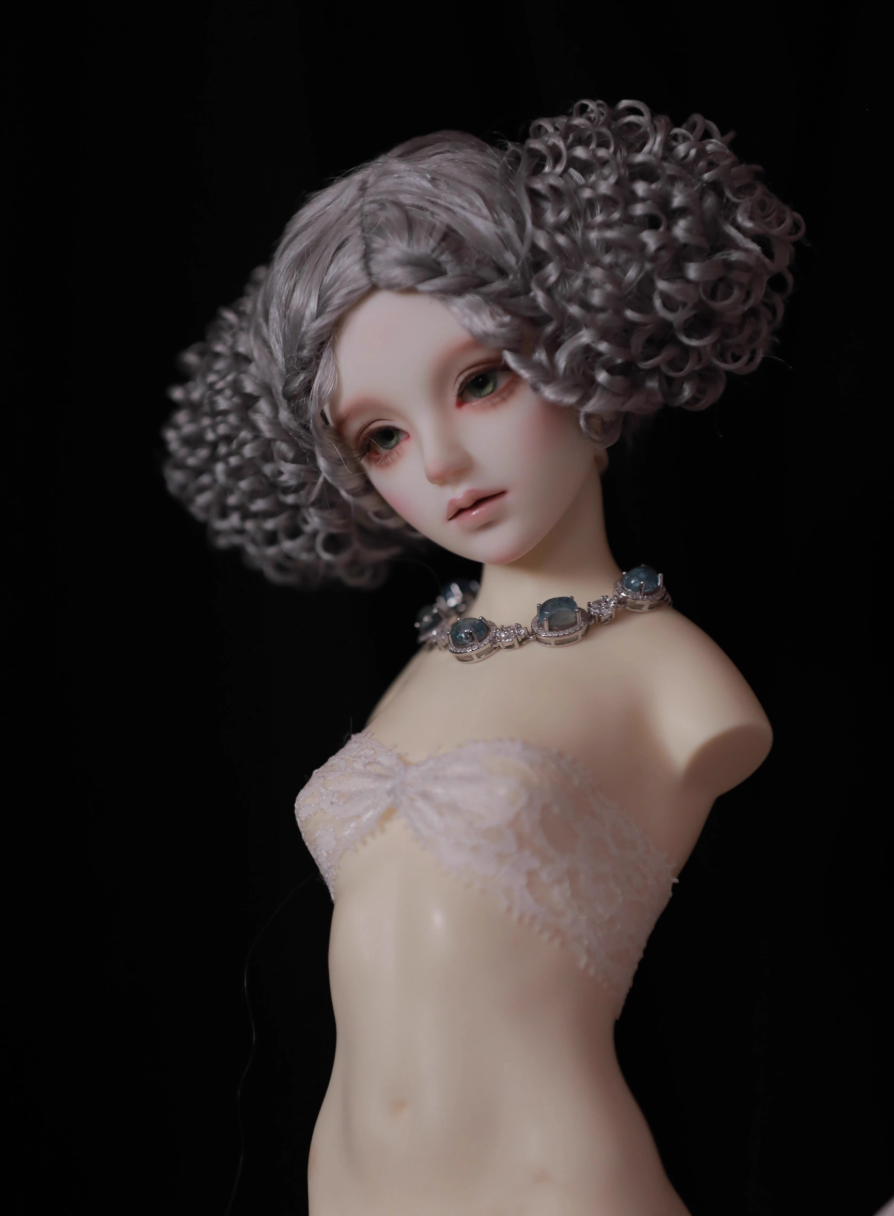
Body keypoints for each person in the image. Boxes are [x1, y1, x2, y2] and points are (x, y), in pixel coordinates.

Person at [161, 97, 805, 1216]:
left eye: (481, 380)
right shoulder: (431, 664)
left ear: (590, 346)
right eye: (382, 437)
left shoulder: (678, 685)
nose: (442, 463)